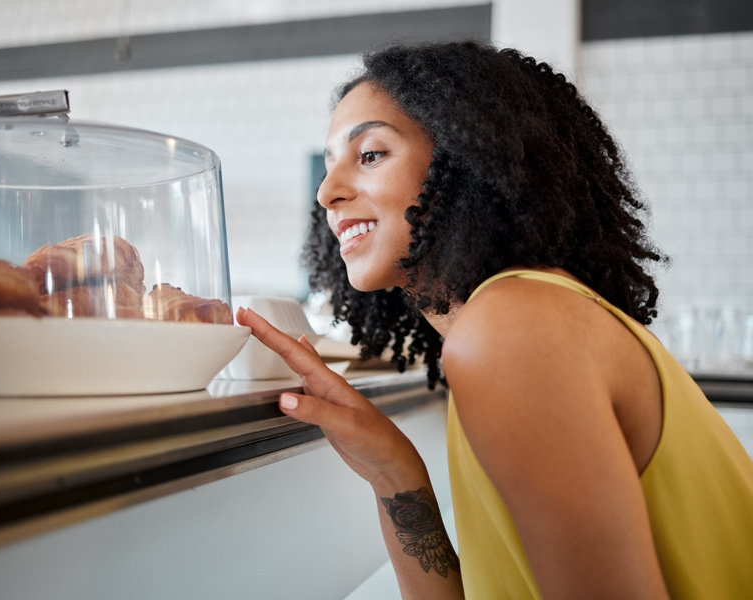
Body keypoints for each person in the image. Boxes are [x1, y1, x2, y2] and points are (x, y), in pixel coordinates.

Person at [236, 40, 753, 599]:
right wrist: (395, 475)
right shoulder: (515, 321)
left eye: (370, 155)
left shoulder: (513, 331)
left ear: (466, 162)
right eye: (332, 162)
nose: (326, 192)